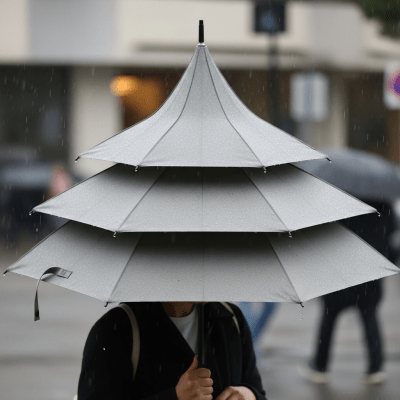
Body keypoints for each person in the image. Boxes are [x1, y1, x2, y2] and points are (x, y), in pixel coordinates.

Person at [78, 301, 267, 400]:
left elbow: (256, 390)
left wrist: (248, 395)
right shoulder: (117, 328)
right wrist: (175, 397)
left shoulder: (230, 319)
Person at [298, 201, 396, 385]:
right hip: (370, 271)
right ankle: (375, 368)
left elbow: (321, 236)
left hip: (339, 271)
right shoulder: (382, 201)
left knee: (329, 319)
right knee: (370, 319)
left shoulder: (336, 199)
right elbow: (391, 238)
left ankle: (320, 366)